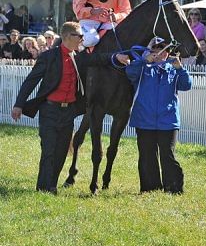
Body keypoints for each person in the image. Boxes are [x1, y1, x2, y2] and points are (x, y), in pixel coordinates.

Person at [10, 22, 129, 194]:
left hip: (68, 112)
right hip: (49, 110)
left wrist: (115, 57)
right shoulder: (49, 57)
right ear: (67, 37)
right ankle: (43, 188)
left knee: (61, 151)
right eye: (79, 36)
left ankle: (52, 185)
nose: (82, 39)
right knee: (49, 150)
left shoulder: (79, 56)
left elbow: (98, 58)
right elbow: (30, 81)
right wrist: (19, 105)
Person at [126, 37, 192, 194]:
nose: (158, 50)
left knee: (167, 155)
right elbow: (129, 72)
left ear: (167, 52)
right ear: (149, 50)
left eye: (162, 48)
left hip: (167, 121)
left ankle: (173, 188)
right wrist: (143, 60)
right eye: (155, 47)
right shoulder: (142, 68)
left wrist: (180, 68)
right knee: (147, 156)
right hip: (144, 120)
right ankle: (150, 189)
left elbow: (186, 85)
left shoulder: (173, 69)